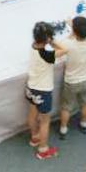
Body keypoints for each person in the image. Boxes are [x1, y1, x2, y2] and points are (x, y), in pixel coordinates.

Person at [28, 21, 66, 159]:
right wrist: (52, 41)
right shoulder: (47, 55)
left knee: (32, 114)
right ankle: (43, 149)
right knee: (45, 121)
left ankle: (34, 137)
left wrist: (47, 39)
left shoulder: (33, 46)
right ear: (48, 39)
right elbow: (65, 49)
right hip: (43, 91)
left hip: (31, 87)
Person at [59, 15, 86, 139]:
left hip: (71, 82)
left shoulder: (68, 45)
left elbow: (60, 46)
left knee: (66, 106)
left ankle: (63, 129)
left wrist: (71, 33)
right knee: (85, 103)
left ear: (74, 31)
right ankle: (84, 123)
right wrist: (74, 30)